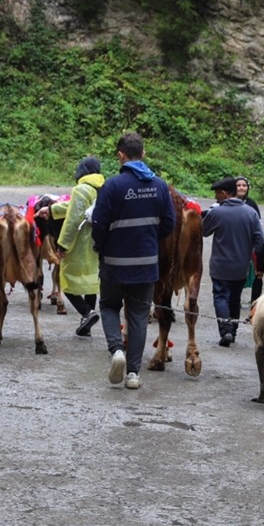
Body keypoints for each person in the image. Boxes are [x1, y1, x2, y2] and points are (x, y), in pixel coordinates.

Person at [89, 132, 175, 390]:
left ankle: (117, 350)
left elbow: (99, 225)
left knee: (108, 306)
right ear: (143, 154)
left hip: (114, 264)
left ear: (120, 156)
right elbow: (169, 224)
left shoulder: (112, 187)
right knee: (138, 315)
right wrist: (148, 240)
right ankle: (134, 374)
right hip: (146, 266)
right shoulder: (159, 186)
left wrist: (101, 248)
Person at [203, 176, 264, 347]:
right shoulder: (251, 213)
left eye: (217, 194)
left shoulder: (217, 212)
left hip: (220, 266)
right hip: (241, 267)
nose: (216, 198)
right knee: (235, 299)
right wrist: (262, 263)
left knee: (220, 296)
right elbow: (260, 241)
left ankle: (226, 331)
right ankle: (234, 330)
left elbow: (204, 231)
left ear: (224, 193)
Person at [47, 156, 105, 336]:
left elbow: (74, 218)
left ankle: (86, 312)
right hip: (97, 243)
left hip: (80, 243)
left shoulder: (81, 189)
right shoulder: (103, 188)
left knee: (66, 278)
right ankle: (86, 321)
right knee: (91, 280)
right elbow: (75, 206)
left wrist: (62, 245)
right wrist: (51, 209)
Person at [235, 176, 264, 304]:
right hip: (235, 243)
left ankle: (255, 302)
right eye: (238, 185)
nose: (241, 188)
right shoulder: (227, 202)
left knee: (257, 272)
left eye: (244, 185)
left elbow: (259, 226)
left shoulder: (252, 204)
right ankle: (235, 300)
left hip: (251, 242)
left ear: (248, 188)